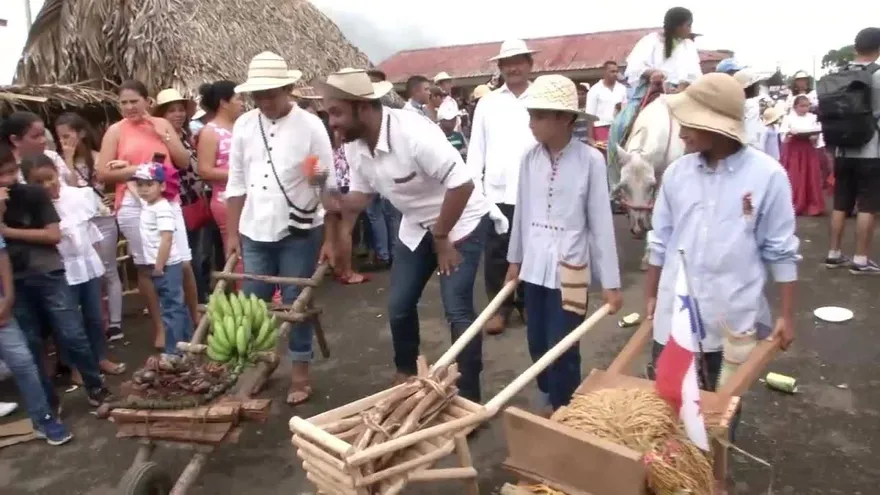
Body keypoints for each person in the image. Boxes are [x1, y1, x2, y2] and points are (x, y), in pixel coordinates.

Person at [645, 73, 799, 449]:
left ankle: (713, 477)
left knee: (720, 413)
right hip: (675, 312)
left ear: (716, 126)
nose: (681, 133)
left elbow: (780, 248)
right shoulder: (677, 175)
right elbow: (660, 239)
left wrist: (786, 315)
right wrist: (650, 295)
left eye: (690, 124)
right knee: (667, 405)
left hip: (732, 315)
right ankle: (673, 478)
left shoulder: (768, 176)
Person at [320, 68, 493, 402]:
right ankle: (406, 373)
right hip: (416, 225)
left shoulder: (413, 133)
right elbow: (358, 198)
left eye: (337, 113)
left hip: (459, 220)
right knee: (399, 305)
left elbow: (462, 184)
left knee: (456, 310)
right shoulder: (355, 146)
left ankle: (469, 398)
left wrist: (443, 237)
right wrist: (325, 195)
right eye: (330, 114)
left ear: (364, 108)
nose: (332, 123)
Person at [505, 75, 623, 411]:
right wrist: (514, 263)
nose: (532, 124)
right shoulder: (529, 159)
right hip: (533, 267)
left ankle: (565, 409)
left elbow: (601, 225)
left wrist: (610, 283)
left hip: (571, 270)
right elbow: (522, 214)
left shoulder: (590, 161)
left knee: (564, 345)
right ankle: (550, 396)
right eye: (531, 115)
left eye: (539, 116)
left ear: (566, 119)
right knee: (537, 342)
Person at [225, 52, 336, 406]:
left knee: (294, 304)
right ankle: (262, 365)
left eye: (271, 93)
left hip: (298, 231)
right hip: (254, 229)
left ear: (289, 88)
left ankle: (300, 372)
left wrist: (332, 237)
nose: (265, 101)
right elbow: (236, 182)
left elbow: (322, 185)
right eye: (258, 95)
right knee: (253, 306)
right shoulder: (244, 125)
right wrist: (230, 235)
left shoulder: (309, 127)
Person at [0, 152, 112, 407]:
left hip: (48, 271)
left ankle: (95, 386)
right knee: (32, 341)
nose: (8, 180)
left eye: (11, 171)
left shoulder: (32, 195)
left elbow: (53, 236)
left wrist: (7, 231)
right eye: (1, 174)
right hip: (14, 279)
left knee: (72, 332)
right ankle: (50, 401)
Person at [97, 80, 192, 350]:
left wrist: (166, 136)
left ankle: (192, 320)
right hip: (131, 204)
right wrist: (138, 170)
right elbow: (104, 173)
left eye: (133, 101)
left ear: (147, 101)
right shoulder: (115, 131)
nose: (128, 107)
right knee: (147, 266)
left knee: (181, 262)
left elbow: (183, 162)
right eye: (123, 103)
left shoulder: (162, 125)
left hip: (167, 200)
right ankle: (161, 327)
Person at [23, 154, 126, 381]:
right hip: (61, 269)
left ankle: (101, 357)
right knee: (70, 323)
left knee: (95, 315)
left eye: (50, 178)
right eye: (38, 183)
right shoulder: (35, 208)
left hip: (87, 263)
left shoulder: (77, 196)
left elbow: (89, 230)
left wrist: (97, 260)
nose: (47, 185)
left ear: (56, 173)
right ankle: (78, 367)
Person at [467, 38, 539, 335]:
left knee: (537, 250)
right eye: (507, 63)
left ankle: (532, 304)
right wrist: (476, 190)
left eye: (519, 61)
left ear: (530, 64)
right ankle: (500, 308)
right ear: (500, 68)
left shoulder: (542, 96)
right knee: (498, 253)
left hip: (536, 190)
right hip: (498, 192)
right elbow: (476, 151)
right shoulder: (488, 103)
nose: (513, 68)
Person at [0, 148, 72, 443]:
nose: (8, 181)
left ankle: (43, 418)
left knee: (24, 362)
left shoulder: (25, 197)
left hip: (3, 304)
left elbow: (1, 255)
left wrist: (7, 299)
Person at [608, 7, 702, 186]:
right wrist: (652, 73)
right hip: (650, 89)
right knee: (618, 125)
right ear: (679, 25)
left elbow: (693, 75)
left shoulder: (689, 46)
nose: (690, 30)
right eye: (688, 25)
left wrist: (681, 88)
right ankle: (615, 184)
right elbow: (635, 66)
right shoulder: (650, 41)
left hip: (680, 94)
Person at [55, 112, 125, 342]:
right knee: (90, 273)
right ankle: (98, 320)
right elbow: (69, 190)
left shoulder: (98, 158)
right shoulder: (60, 163)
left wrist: (112, 198)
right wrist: (67, 157)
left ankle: (115, 322)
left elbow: (113, 184)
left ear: (81, 133)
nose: (63, 141)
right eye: (60, 137)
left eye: (68, 136)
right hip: (81, 224)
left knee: (108, 270)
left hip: (103, 219)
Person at [824, 27, 880, 273]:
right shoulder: (877, 75)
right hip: (871, 148)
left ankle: (834, 253)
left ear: (856, 47)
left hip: (841, 148)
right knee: (868, 205)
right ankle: (860, 259)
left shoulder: (839, 73)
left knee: (840, 202)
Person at [152, 88, 210, 313]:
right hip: (177, 203)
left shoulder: (186, 135)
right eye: (172, 111)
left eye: (180, 110)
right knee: (186, 257)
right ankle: (192, 303)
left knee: (198, 253)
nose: (178, 114)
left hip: (195, 199)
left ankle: (199, 297)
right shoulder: (161, 141)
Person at [131, 164, 193, 353]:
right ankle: (187, 342)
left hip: (166, 265)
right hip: (162, 264)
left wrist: (158, 266)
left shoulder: (162, 209)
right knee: (175, 305)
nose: (143, 189)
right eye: (140, 184)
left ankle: (174, 350)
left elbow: (167, 238)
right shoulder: (149, 205)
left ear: (162, 186)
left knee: (170, 308)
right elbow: (132, 187)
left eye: (149, 184)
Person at [195, 80, 245, 267]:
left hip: (249, 196)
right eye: (238, 99)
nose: (242, 103)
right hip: (226, 199)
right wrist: (240, 175)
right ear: (224, 102)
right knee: (238, 255)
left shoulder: (240, 127)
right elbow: (205, 170)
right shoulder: (210, 132)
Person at [780, 95, 826, 216]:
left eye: (807, 106)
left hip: (808, 149)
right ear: (795, 106)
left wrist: (814, 137)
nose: (805, 108)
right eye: (802, 106)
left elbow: (817, 134)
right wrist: (789, 135)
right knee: (795, 175)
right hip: (794, 150)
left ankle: (813, 203)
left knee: (811, 176)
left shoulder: (813, 117)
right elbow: (783, 135)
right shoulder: (788, 118)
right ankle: (795, 203)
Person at [1, 111, 74, 186]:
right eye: (35, 136)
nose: (43, 140)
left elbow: (73, 187)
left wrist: (69, 158)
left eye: (43, 134)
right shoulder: (9, 169)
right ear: (15, 140)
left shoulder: (52, 156)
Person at [586, 61, 628, 143]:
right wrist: (590, 137)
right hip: (601, 128)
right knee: (604, 154)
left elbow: (625, 110)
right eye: (612, 71)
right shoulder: (595, 90)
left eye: (616, 71)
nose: (615, 74)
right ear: (605, 72)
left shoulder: (622, 89)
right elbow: (589, 115)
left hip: (618, 128)